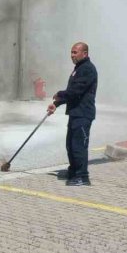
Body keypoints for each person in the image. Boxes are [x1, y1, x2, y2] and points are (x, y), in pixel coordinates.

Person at [48, 41, 98, 186]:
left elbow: (76, 91)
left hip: (83, 114)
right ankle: (73, 171)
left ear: (85, 53)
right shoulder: (79, 68)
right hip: (75, 113)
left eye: (75, 52)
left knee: (79, 146)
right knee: (70, 144)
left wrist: (59, 94)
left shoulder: (87, 69)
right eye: (71, 52)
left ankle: (82, 176)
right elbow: (72, 94)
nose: (72, 55)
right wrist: (56, 104)